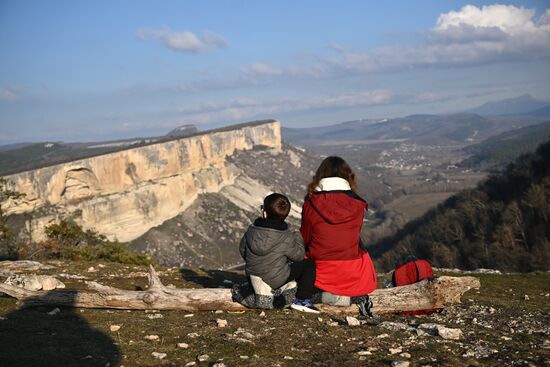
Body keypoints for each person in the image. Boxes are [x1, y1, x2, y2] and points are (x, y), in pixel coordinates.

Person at [300, 156, 377, 312]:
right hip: (351, 273)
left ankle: (320, 295)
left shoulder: (311, 202)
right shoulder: (358, 204)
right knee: (362, 250)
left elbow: (305, 238)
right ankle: (350, 296)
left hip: (319, 271)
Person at [239, 193, 320, 313]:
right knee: (308, 265)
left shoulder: (251, 230)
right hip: (276, 280)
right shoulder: (286, 236)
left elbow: (242, 250)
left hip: (252, 276)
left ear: (265, 213)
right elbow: (298, 256)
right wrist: (297, 236)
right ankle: (302, 300)